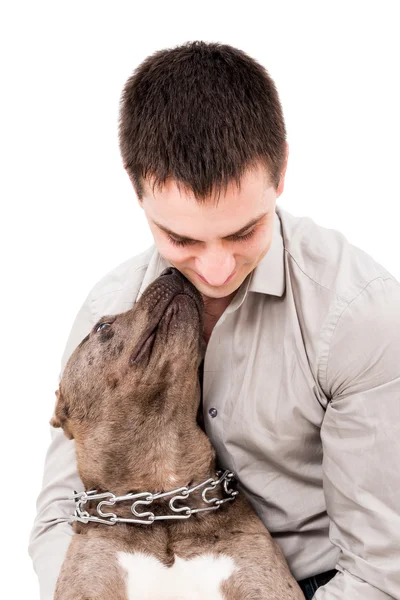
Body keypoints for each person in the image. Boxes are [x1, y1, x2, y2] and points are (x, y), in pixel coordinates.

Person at [28, 40, 400, 600]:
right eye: (181, 238)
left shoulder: (355, 312)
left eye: (243, 231)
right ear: (136, 190)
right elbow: (61, 515)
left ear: (282, 173)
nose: (217, 268)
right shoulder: (110, 311)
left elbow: (378, 570)